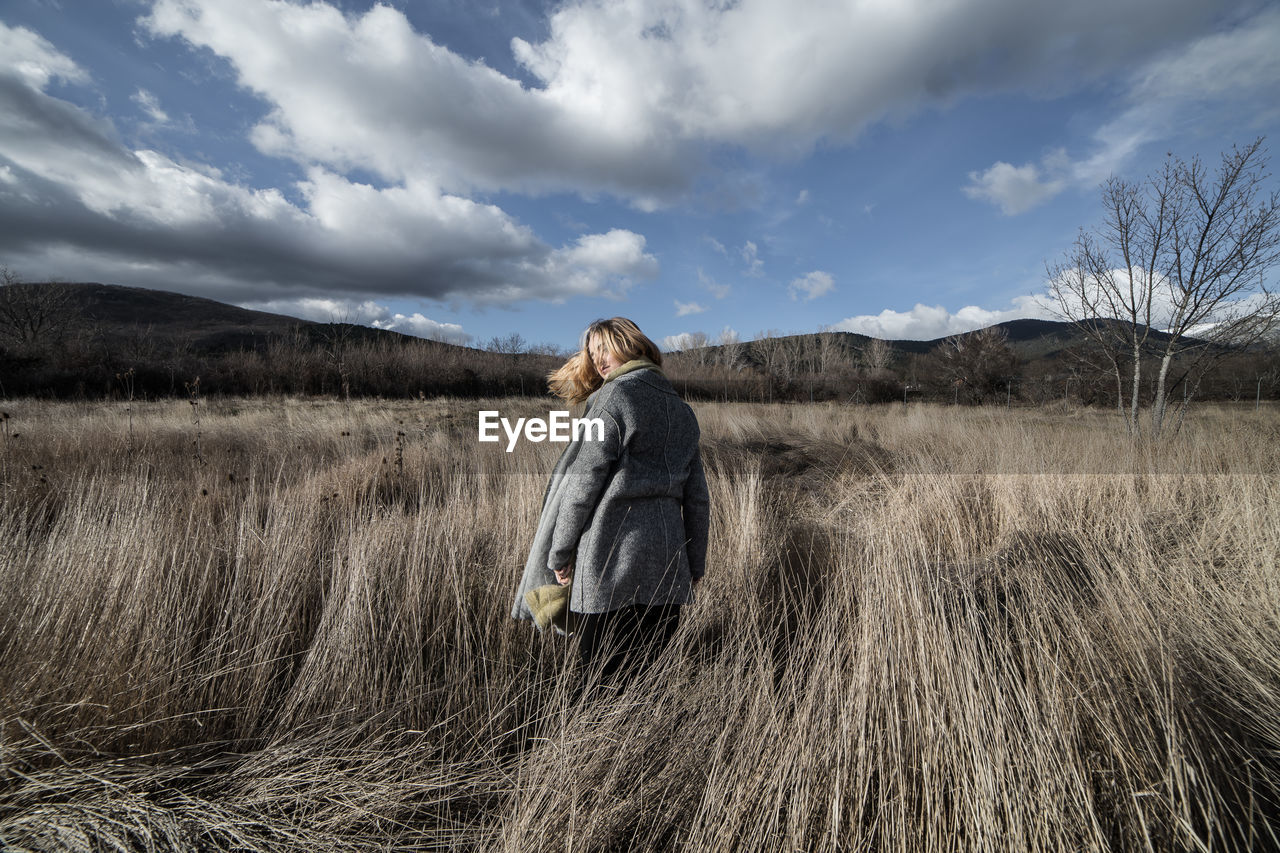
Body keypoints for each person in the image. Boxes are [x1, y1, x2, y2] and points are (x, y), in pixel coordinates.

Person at [511, 317, 710, 691]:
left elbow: (582, 484)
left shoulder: (613, 399)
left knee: (599, 686)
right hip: (667, 567)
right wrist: (693, 564)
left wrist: (560, 553)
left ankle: (593, 751)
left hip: (608, 560)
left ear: (631, 344)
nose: (600, 360)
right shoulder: (682, 411)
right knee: (649, 686)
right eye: (594, 352)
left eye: (606, 348)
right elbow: (697, 498)